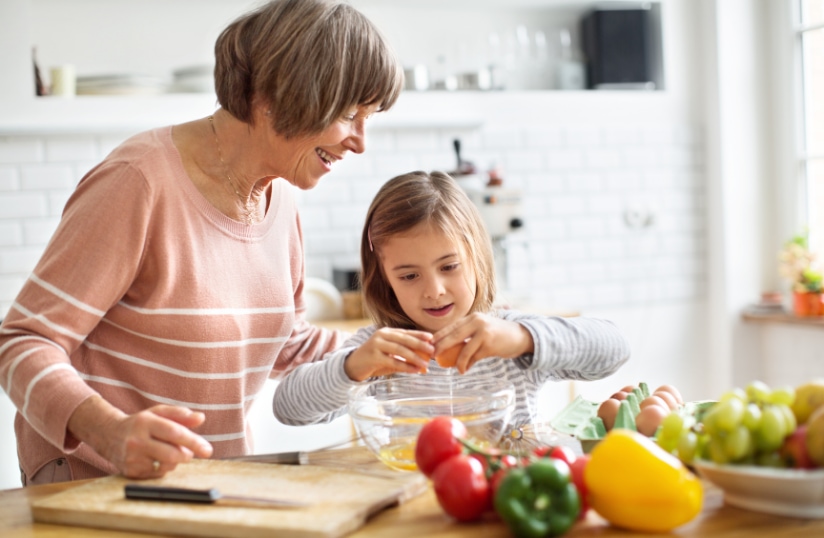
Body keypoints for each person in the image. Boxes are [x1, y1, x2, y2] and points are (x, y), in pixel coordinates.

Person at [0, 0, 404, 485]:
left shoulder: (280, 198)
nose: (360, 141)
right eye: (348, 113)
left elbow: (286, 344)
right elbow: (24, 341)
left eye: (370, 117)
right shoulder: (139, 181)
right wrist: (108, 431)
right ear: (279, 94)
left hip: (209, 482)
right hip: (96, 479)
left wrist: (391, 352)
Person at [273, 171, 631, 431]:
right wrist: (352, 367)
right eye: (409, 276)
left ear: (477, 257)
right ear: (385, 280)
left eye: (449, 266)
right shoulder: (381, 348)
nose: (434, 290)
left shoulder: (508, 337)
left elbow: (614, 348)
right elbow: (288, 408)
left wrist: (523, 339)